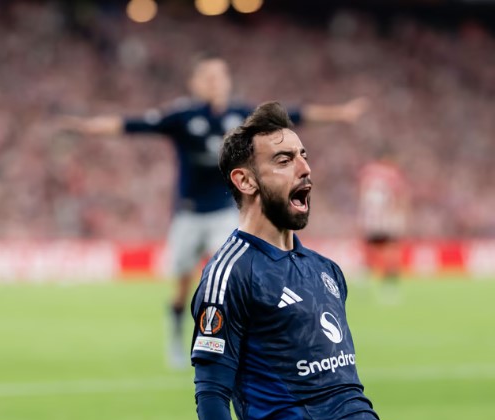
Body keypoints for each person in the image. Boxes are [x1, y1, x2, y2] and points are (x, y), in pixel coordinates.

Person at [190, 102, 495, 420]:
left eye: (304, 155)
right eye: (283, 160)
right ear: (245, 181)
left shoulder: (325, 270)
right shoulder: (230, 271)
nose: (305, 168)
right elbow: (210, 393)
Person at [61, 54, 368, 368]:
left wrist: (340, 114)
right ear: (195, 84)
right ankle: (175, 338)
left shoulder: (243, 115)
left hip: (223, 212)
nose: (214, 82)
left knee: (231, 276)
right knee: (182, 283)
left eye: (219, 76)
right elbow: (132, 124)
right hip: (188, 213)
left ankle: (237, 345)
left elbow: (295, 114)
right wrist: (87, 127)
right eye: (207, 77)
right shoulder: (182, 115)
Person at [359, 146, 410, 301]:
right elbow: (400, 194)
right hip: (387, 217)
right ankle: (389, 287)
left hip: (370, 217)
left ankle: (365, 280)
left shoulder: (368, 171)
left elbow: (363, 193)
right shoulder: (392, 173)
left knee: (371, 248)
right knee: (391, 251)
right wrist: (402, 214)